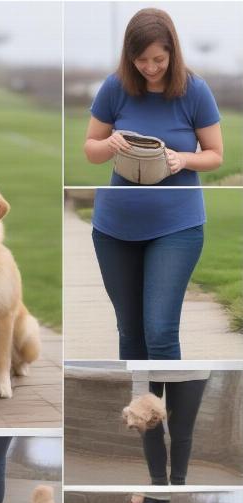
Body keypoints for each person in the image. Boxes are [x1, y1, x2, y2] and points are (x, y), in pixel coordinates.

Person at [83, 8, 222, 359]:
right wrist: (108, 144)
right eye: (141, 59)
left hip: (177, 226)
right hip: (115, 227)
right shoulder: (115, 87)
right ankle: (138, 414)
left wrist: (183, 159)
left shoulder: (195, 91)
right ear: (130, 57)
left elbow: (215, 154)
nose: (150, 67)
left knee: (159, 332)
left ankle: (164, 415)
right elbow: (91, 150)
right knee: (129, 332)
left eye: (158, 58)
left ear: (172, 51)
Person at [138, 370, 209, 485]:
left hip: (191, 369)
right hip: (146, 368)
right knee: (149, 426)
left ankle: (178, 485)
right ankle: (158, 485)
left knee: (181, 431)